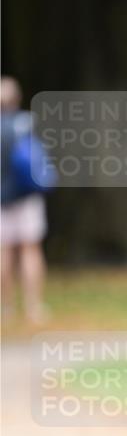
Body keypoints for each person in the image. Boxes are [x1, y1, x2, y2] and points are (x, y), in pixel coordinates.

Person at [1, 76, 50, 325]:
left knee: (4, 251)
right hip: (28, 195)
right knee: (31, 249)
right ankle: (33, 307)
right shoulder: (26, 123)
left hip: (1, 199)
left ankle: (5, 307)